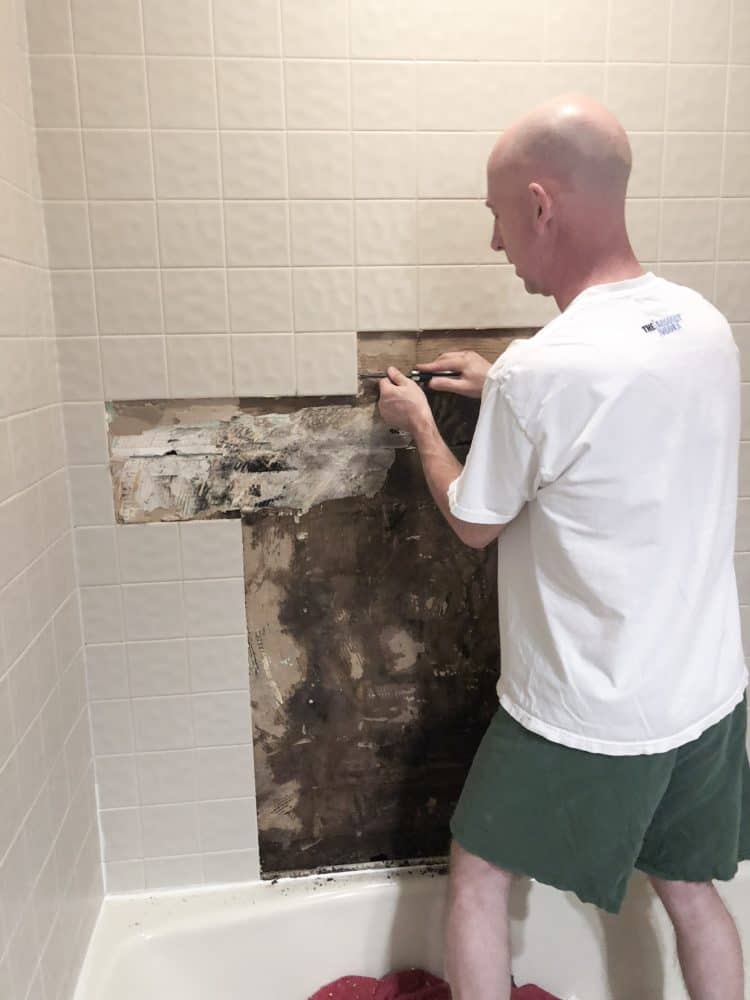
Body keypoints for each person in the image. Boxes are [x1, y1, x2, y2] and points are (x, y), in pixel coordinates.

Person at [377, 94, 750, 1000]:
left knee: (477, 873)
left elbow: (475, 519)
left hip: (590, 711)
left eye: (500, 217)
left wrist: (424, 423)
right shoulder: (702, 324)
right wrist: (505, 380)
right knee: (693, 895)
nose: (499, 244)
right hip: (705, 693)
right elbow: (618, 419)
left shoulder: (547, 370)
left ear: (542, 205)